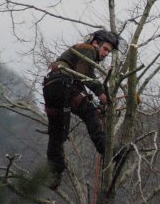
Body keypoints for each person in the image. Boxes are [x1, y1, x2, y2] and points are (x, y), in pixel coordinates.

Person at [42, 30, 127, 190]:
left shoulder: (75, 59)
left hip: (51, 88)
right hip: (63, 84)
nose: (106, 54)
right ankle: (109, 150)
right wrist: (104, 96)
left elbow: (80, 84)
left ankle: (54, 173)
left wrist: (96, 103)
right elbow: (85, 75)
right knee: (90, 114)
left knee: (56, 133)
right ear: (96, 43)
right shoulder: (87, 49)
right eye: (105, 49)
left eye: (109, 51)